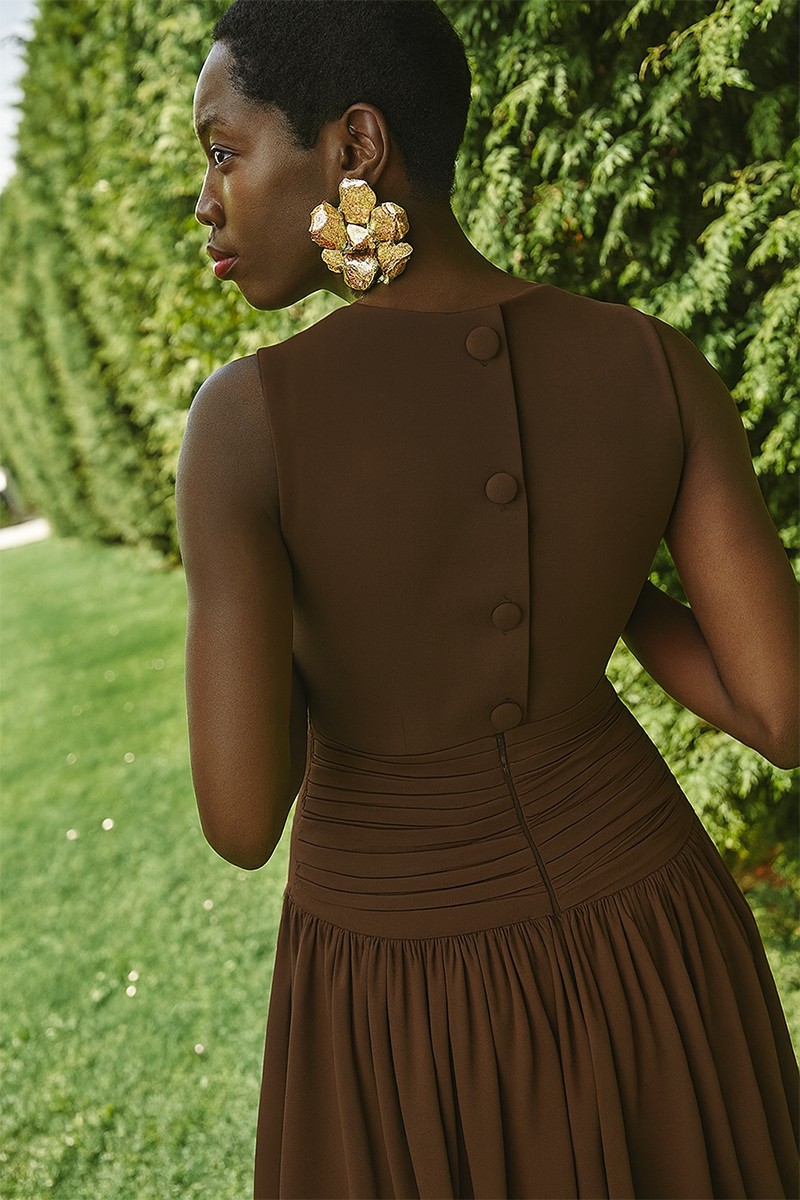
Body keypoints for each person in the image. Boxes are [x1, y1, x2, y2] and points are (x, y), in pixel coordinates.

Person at [176, 2, 800, 1197]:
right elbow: (779, 712)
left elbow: (243, 818)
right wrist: (607, 589)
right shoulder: (652, 361)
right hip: (658, 951)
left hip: (402, 996)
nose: (205, 201)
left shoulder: (244, 427)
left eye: (221, 151)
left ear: (353, 147)